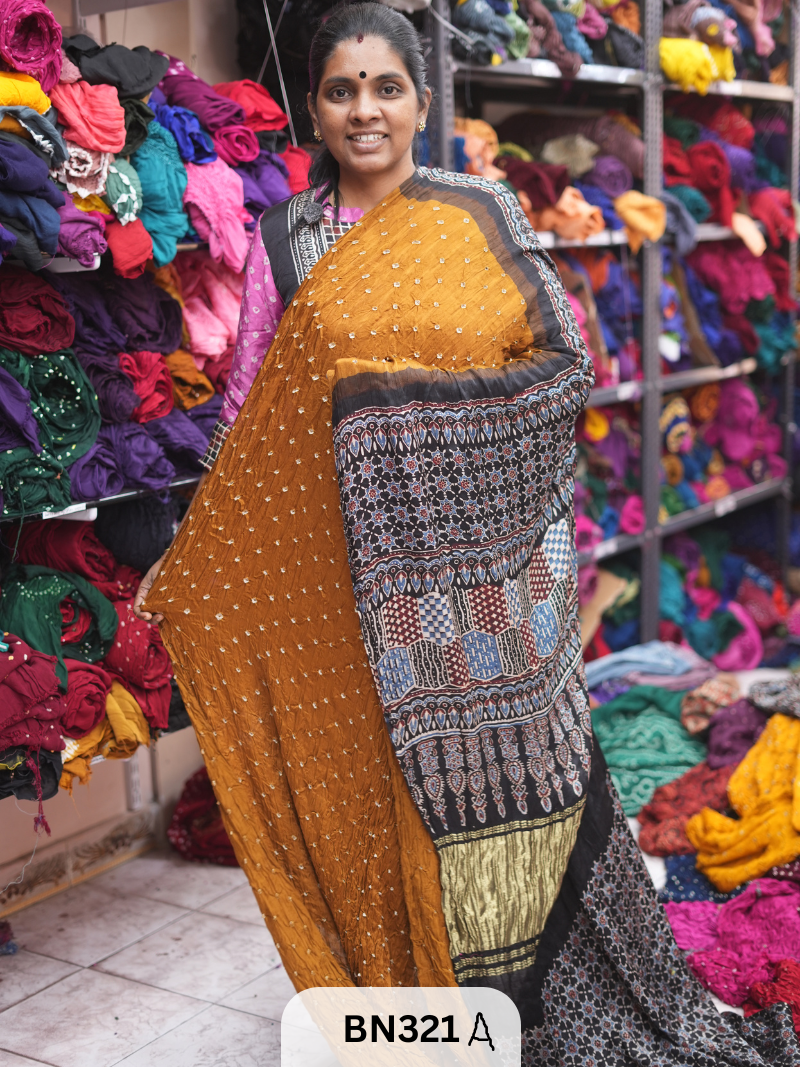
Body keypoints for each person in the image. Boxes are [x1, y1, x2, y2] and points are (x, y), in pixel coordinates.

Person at [135, 5, 798, 1062]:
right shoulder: (284, 238)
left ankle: (516, 1002)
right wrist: (207, 547)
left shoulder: (479, 213)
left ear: (421, 99)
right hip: (342, 584)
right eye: (341, 89)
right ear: (314, 103)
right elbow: (254, 411)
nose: (364, 110)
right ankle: (411, 1008)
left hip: (476, 592)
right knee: (369, 801)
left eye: (385, 88)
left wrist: (390, 408)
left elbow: (559, 364)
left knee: (492, 811)